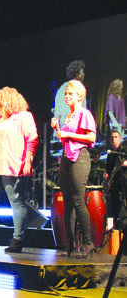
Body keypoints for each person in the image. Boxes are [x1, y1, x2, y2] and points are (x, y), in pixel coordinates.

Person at [0, 87, 38, 253]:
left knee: (16, 203)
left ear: (8, 102)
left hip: (14, 167)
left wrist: (28, 161)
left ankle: (18, 239)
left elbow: (32, 140)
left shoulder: (24, 117)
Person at [51, 80, 96, 257]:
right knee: (67, 201)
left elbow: (91, 138)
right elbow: (64, 139)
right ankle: (68, 245)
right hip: (66, 157)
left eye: (70, 94)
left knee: (78, 200)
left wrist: (68, 133)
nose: (67, 97)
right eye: (65, 94)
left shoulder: (84, 114)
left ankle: (88, 242)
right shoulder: (68, 116)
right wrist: (57, 129)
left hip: (80, 157)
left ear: (79, 95)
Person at [54, 60, 86, 129]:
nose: (83, 75)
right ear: (77, 74)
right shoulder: (67, 88)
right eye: (82, 72)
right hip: (70, 125)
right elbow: (58, 110)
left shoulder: (63, 88)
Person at [104, 130, 127, 222]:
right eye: (112, 137)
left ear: (120, 138)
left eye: (116, 137)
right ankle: (115, 225)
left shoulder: (125, 150)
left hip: (125, 181)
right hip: (115, 183)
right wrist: (107, 176)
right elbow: (108, 169)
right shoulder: (111, 154)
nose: (114, 139)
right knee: (114, 205)